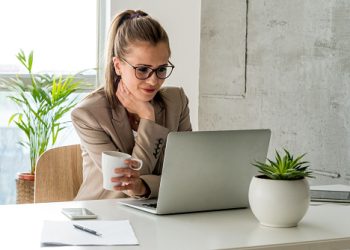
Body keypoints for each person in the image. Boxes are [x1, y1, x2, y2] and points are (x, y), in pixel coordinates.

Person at [71, 9, 192, 200]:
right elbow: (127, 185)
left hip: (159, 215)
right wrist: (148, 119)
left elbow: (187, 176)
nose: (153, 81)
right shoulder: (88, 114)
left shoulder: (176, 102)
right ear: (118, 65)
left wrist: (143, 187)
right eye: (142, 69)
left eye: (161, 69)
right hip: (103, 217)